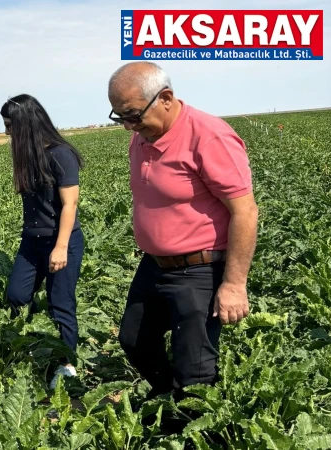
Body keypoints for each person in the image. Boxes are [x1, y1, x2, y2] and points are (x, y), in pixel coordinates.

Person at [107, 62, 258, 401]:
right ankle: (166, 400)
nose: (128, 127)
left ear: (165, 98)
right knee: (135, 340)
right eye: (121, 118)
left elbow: (245, 211)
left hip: (199, 270)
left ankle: (193, 429)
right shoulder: (143, 136)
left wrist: (234, 284)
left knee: (196, 371)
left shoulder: (208, 135)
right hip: (154, 266)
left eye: (132, 115)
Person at [0, 94, 86, 389]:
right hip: (32, 241)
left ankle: (66, 365)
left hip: (62, 241)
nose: (7, 132)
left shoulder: (60, 154)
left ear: (25, 125)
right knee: (16, 295)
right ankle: (27, 344)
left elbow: (70, 206)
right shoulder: (29, 156)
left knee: (60, 302)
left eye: (10, 126)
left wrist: (61, 247)